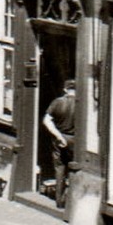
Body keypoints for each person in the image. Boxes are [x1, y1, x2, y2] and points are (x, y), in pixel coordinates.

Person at [42, 79, 77, 209]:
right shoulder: (81, 104)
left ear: (65, 89)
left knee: (60, 168)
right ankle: (72, 200)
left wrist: (58, 136)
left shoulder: (58, 102)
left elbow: (46, 120)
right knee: (74, 167)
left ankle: (59, 201)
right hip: (76, 139)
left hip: (60, 138)